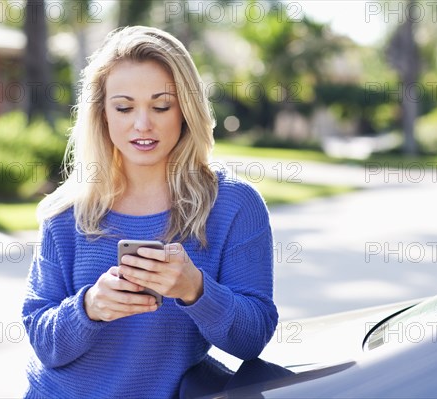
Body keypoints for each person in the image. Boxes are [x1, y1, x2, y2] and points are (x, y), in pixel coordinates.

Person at [22, 25, 278, 398]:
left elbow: (252, 339)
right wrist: (89, 307)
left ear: (186, 110)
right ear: (103, 114)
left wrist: (196, 290)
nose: (143, 124)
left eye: (161, 105)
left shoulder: (235, 205)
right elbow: (42, 340)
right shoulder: (68, 211)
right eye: (124, 107)